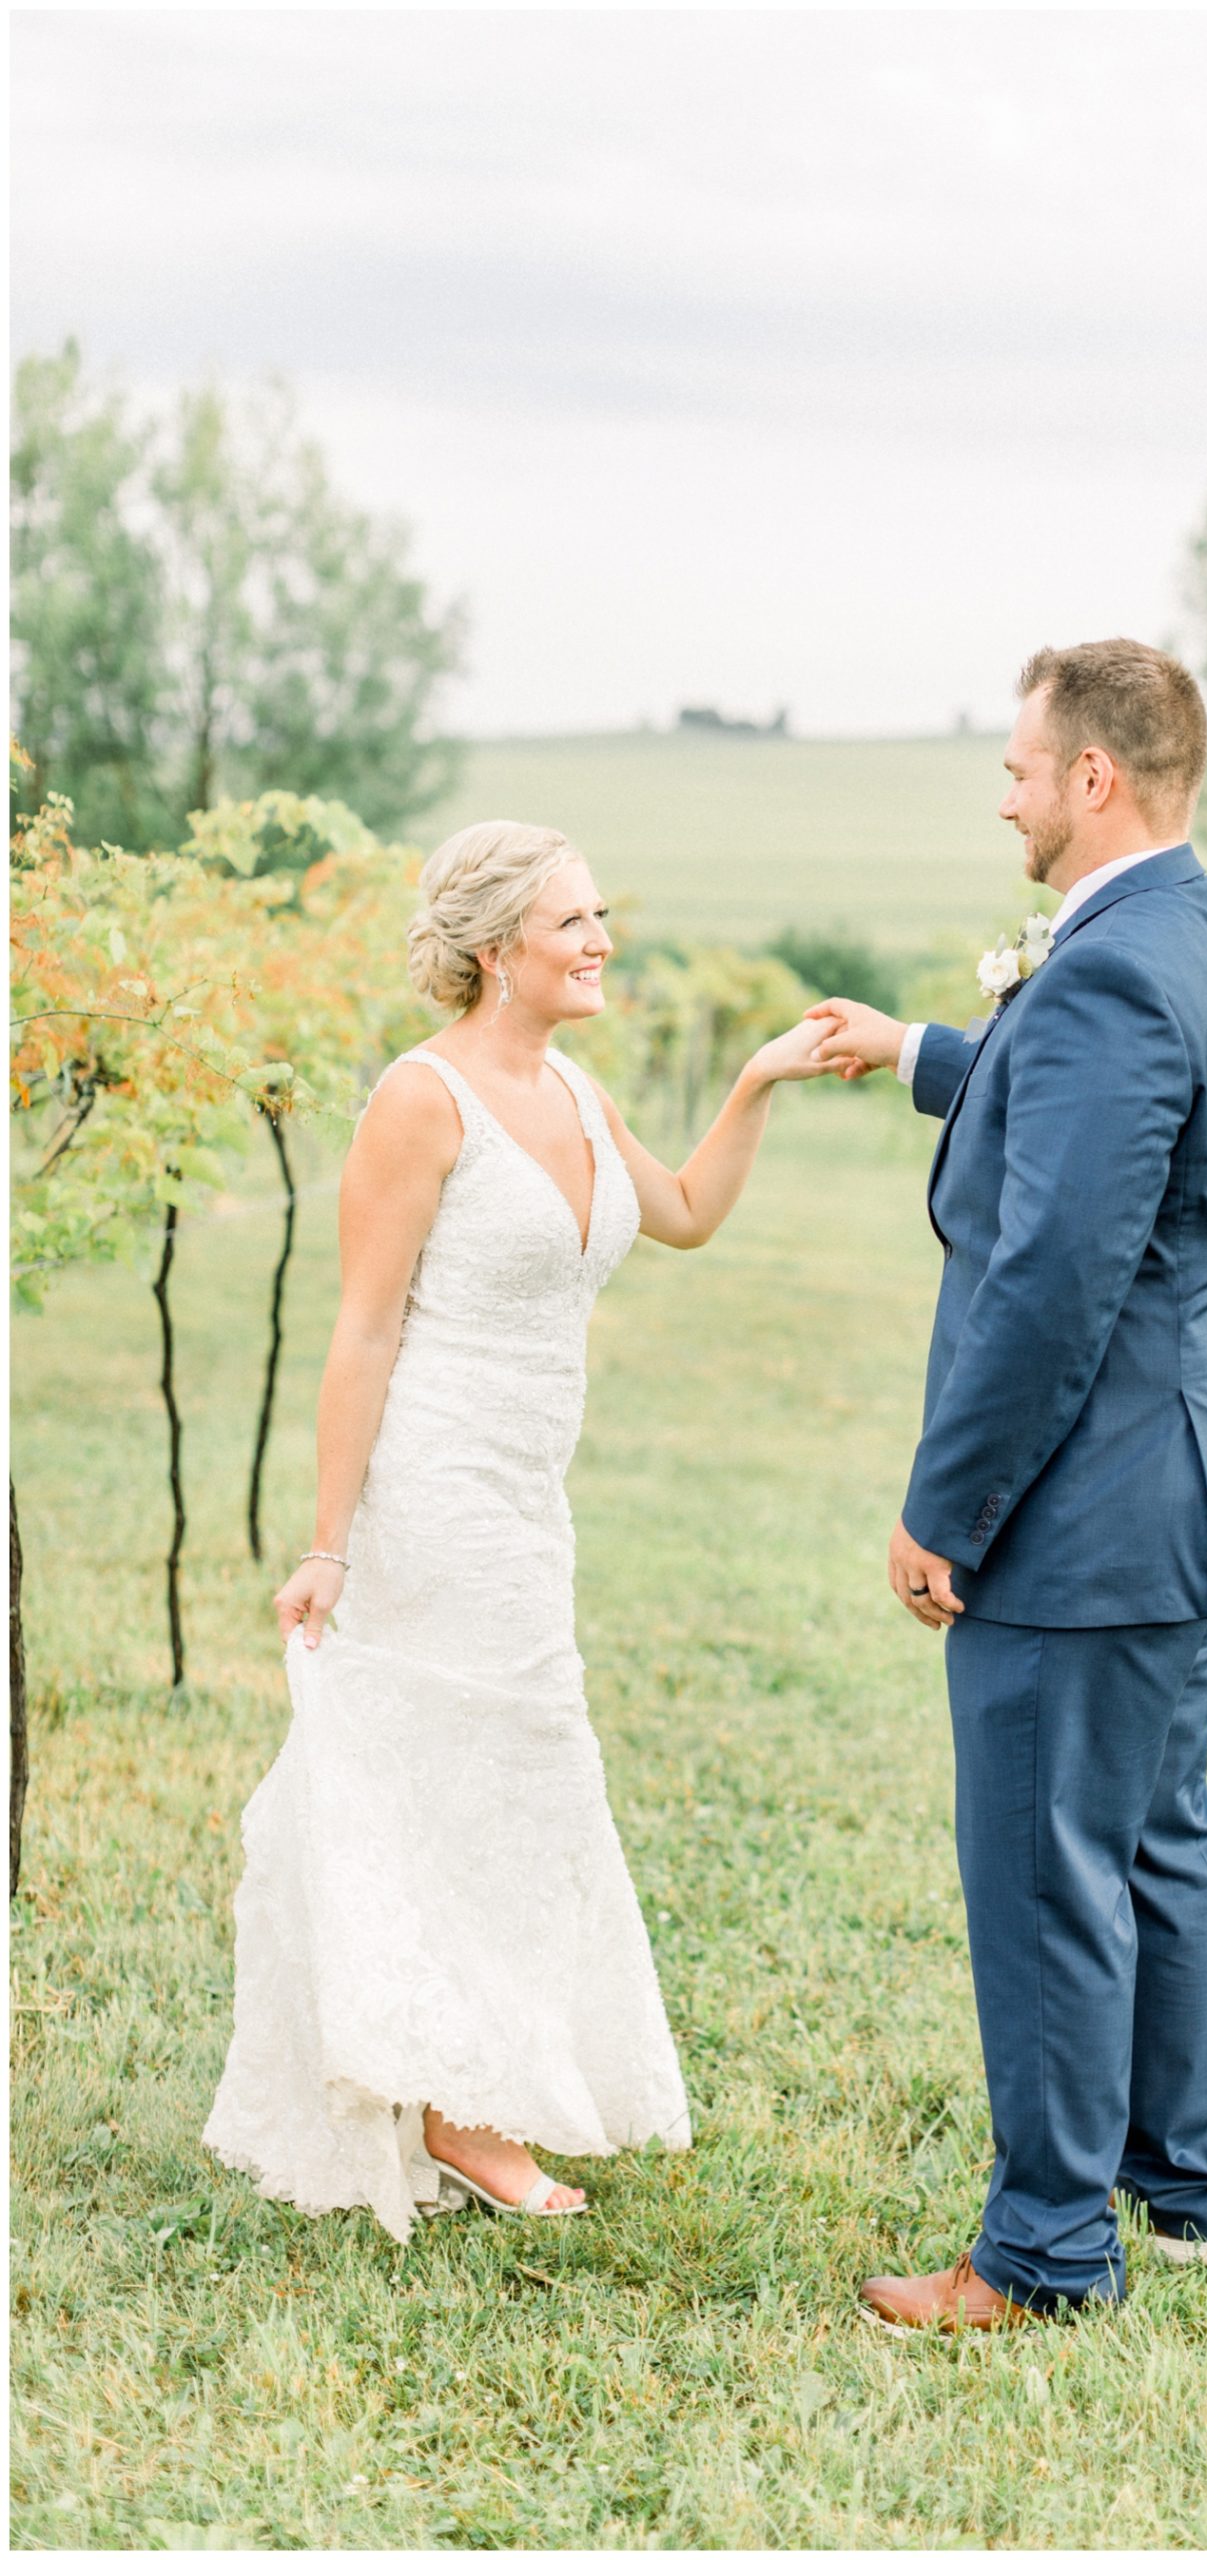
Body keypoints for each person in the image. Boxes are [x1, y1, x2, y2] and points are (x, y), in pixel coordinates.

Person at [204, 819, 833, 2241]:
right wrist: (327, 1540)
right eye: (575, 922)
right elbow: (362, 1329)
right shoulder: (420, 1102)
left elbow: (680, 1214)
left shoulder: (580, 1088)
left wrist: (755, 1084)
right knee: (498, 1758)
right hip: (432, 1482)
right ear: (499, 953)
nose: (603, 939)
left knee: (500, 1766)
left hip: (530, 1491)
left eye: (603, 913)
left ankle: (462, 2078)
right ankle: (468, 2117)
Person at [808, 639, 1207, 2330]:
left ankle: (1041, 2252)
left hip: (1089, 1516)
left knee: (1044, 1866)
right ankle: (1186, 2192)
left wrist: (949, 1506)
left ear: (1095, 778)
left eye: (1021, 763)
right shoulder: (1205, 934)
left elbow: (1053, 1278)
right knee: (1160, 1840)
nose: (1004, 788)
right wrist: (927, 1051)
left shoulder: (1103, 972)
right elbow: (1142, 1148)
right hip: (1205, 1490)